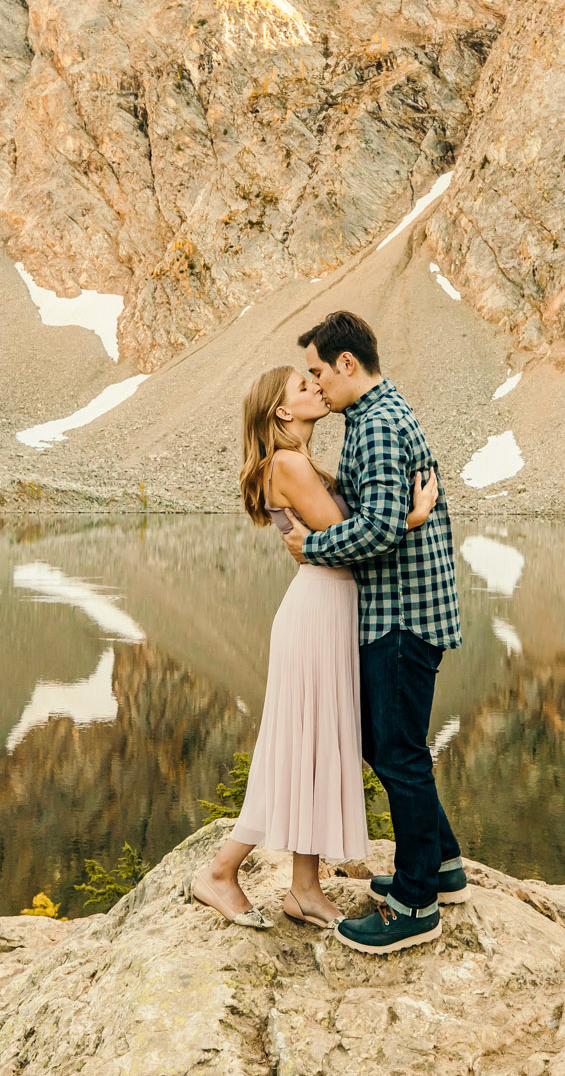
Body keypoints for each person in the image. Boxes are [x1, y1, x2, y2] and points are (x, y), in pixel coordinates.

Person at [186, 364, 438, 930]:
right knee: (298, 747)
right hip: (318, 610)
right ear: (281, 411)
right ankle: (220, 873)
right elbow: (352, 541)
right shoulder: (290, 463)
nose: (317, 389)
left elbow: (330, 538)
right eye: (303, 387)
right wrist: (415, 515)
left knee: (318, 747)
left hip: (329, 610)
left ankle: (304, 888)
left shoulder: (298, 461)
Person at [282, 311, 465, 955]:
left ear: (346, 364)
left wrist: (313, 546)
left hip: (400, 616)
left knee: (397, 753)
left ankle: (415, 904)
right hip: (404, 611)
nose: (315, 383)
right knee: (393, 745)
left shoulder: (379, 425)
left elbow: (380, 530)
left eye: (316, 370)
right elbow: (389, 516)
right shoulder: (374, 417)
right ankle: (441, 865)